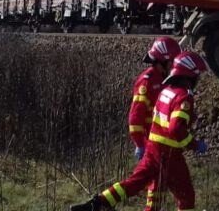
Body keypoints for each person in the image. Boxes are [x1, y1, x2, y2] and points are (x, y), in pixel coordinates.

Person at [70, 51, 209, 211]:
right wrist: (194, 144)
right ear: (191, 75)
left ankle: (98, 203)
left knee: (135, 182)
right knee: (186, 196)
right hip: (169, 155)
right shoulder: (183, 97)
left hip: (152, 149)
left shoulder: (166, 91)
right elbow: (176, 128)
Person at [129, 37, 182, 211]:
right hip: (149, 141)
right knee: (152, 183)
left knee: (158, 185)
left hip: (160, 142)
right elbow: (135, 117)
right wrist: (140, 144)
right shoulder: (147, 80)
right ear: (163, 61)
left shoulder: (164, 80)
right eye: (172, 62)